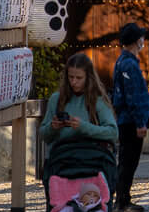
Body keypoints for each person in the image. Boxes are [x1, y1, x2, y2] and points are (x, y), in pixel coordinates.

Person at [40, 52, 118, 183]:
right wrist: (52, 127)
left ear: (88, 77)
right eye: (70, 77)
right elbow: (43, 134)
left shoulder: (97, 100)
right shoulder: (57, 99)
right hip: (62, 162)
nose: (74, 82)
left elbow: (113, 133)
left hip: (91, 162)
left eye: (79, 78)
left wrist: (83, 127)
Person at [110, 23, 149, 212]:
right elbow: (133, 95)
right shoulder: (129, 64)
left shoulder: (122, 62)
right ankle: (122, 199)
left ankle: (123, 198)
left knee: (127, 160)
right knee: (128, 160)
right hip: (130, 120)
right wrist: (140, 121)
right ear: (136, 40)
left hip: (125, 118)